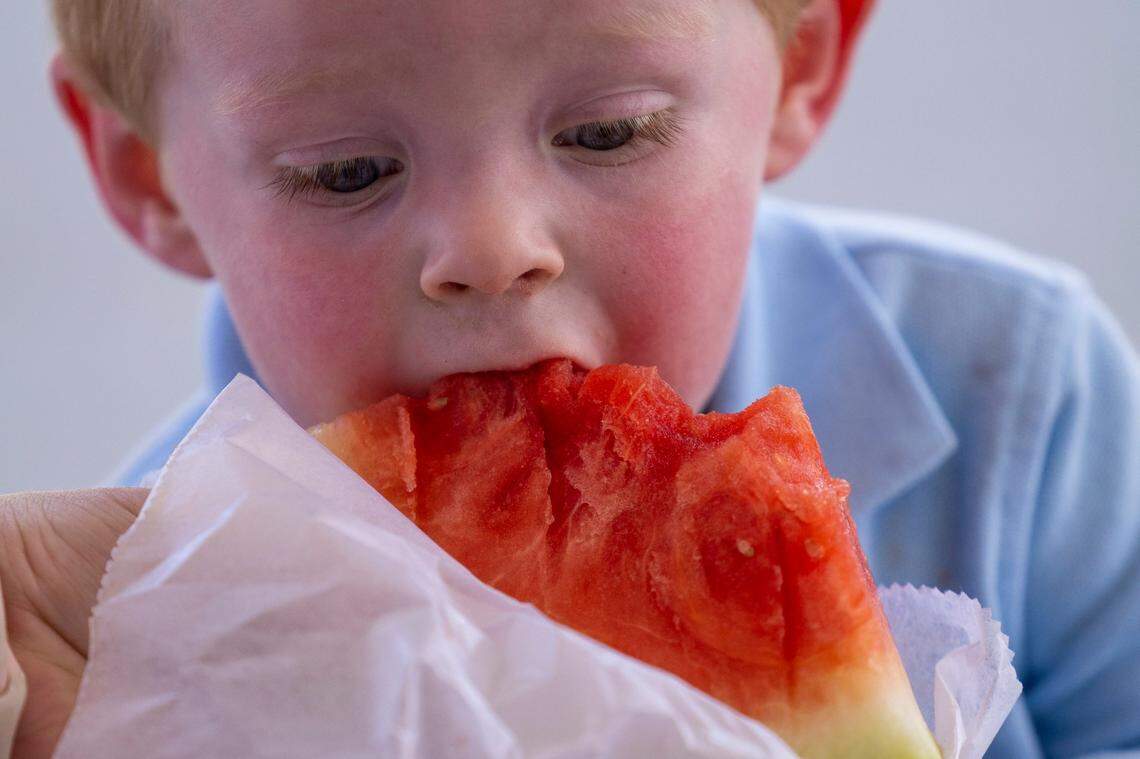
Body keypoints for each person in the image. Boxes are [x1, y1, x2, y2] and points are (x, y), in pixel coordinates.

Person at [2, 0, 1137, 756]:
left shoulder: (1029, 403)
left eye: (610, 134)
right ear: (146, 178)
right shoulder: (129, 638)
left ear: (799, 70)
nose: (493, 250)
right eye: (346, 171)